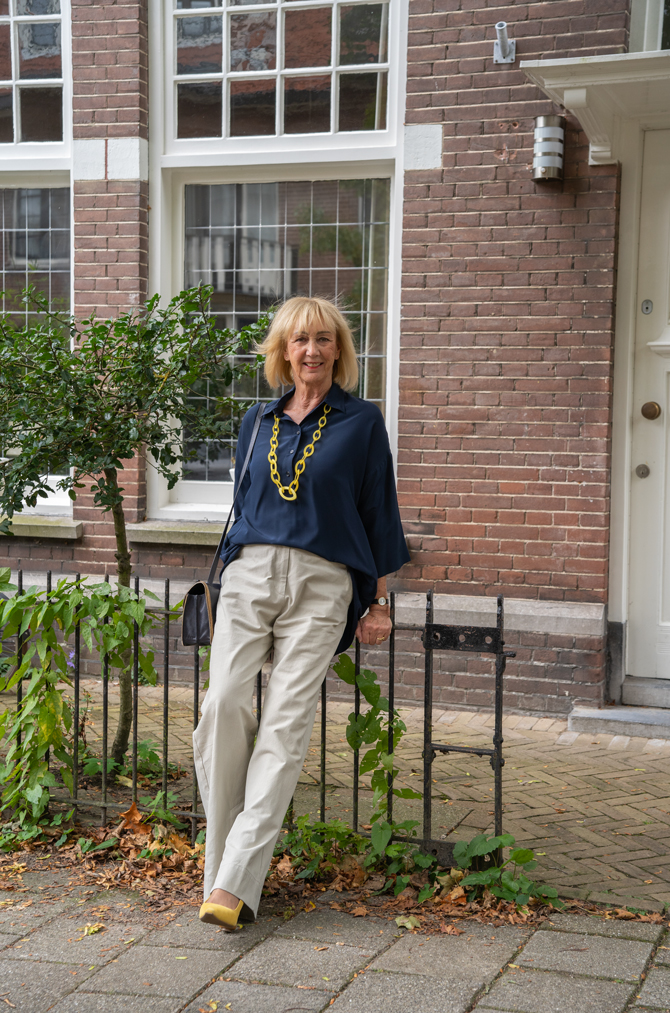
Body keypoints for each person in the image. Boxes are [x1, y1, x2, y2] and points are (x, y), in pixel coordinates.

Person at [193, 295, 409, 930]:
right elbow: (244, 500)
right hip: (251, 574)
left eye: (322, 339)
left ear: (337, 350)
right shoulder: (256, 421)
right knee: (223, 707)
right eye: (298, 341)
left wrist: (380, 600)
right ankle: (224, 866)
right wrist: (232, 569)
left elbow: (379, 514)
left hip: (322, 583)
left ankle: (231, 884)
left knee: (284, 726)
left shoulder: (361, 422)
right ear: (281, 353)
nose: (310, 350)